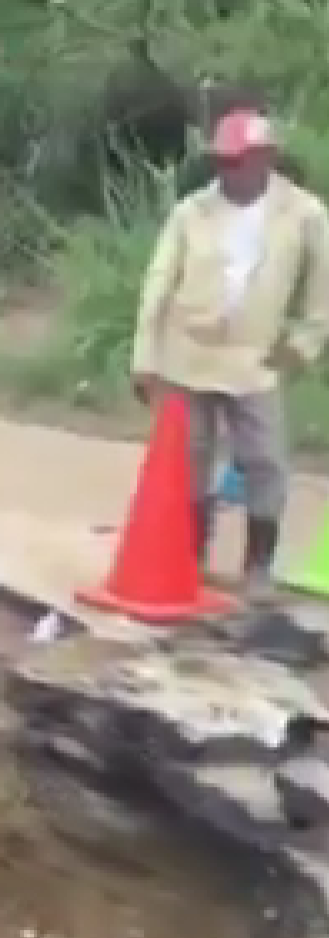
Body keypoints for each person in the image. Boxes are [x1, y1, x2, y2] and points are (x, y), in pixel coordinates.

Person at [131, 108, 329, 598]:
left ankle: (257, 565)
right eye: (221, 162)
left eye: (238, 162)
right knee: (188, 460)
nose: (228, 173)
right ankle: (187, 558)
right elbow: (158, 282)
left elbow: (320, 293)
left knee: (265, 461)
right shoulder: (193, 210)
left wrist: (303, 345)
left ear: (265, 159)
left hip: (253, 359)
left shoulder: (304, 214)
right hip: (187, 353)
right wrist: (145, 355)